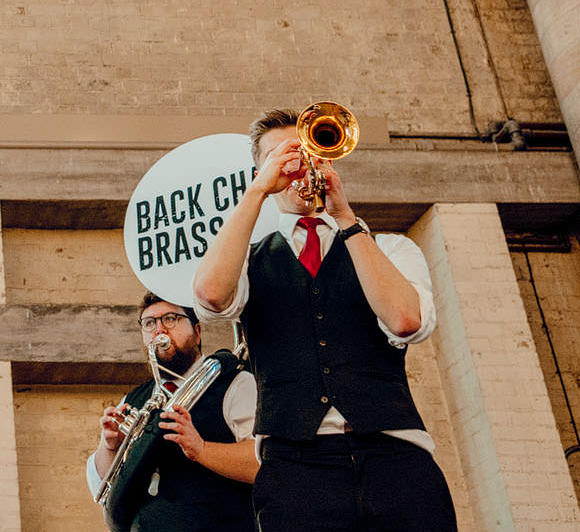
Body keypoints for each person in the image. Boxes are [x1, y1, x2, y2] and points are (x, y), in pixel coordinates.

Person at [192, 108, 457, 532]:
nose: (296, 166)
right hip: (294, 469)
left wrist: (346, 219)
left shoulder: (389, 247)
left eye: (304, 152)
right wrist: (258, 191)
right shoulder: (249, 260)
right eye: (281, 157)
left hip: (397, 459)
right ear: (260, 171)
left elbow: (406, 321)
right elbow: (209, 296)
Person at [87, 295, 256, 530]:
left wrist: (202, 450)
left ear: (197, 331)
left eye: (170, 319)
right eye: (149, 323)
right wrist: (110, 446)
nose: (159, 330)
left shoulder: (236, 384)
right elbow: (106, 489)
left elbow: (264, 463)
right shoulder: (133, 399)